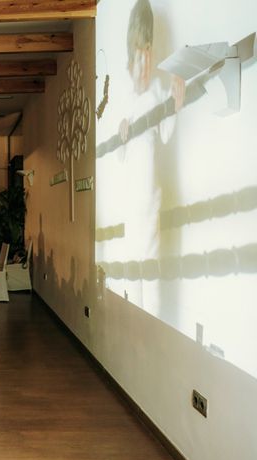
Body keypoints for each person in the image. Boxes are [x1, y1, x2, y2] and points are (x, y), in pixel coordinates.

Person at [116, 0, 184, 311]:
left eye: (148, 52)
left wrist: (176, 102)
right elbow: (119, 156)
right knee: (133, 270)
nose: (144, 61)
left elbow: (167, 135)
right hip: (131, 196)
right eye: (138, 54)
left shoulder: (157, 91)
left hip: (150, 194)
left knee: (151, 271)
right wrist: (122, 134)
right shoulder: (126, 97)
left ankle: (151, 335)